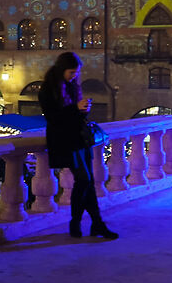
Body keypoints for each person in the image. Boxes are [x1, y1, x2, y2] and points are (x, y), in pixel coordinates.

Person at [38, 52, 115, 240]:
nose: (74, 76)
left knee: (87, 182)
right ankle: (78, 222)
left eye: (76, 72)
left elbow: (74, 116)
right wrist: (75, 109)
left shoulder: (72, 86)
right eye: (71, 72)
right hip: (65, 141)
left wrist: (82, 110)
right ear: (61, 69)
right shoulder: (48, 90)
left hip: (80, 140)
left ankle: (95, 223)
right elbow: (53, 118)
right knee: (85, 180)